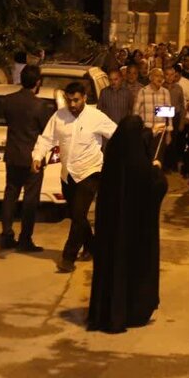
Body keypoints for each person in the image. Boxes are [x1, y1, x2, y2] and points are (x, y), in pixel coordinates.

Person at [87, 116, 169, 333]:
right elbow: (157, 187)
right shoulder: (141, 166)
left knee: (111, 269)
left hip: (111, 234)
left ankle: (107, 313)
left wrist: (151, 133)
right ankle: (131, 312)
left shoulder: (112, 160)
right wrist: (157, 169)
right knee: (133, 271)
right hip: (135, 236)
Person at [32, 82, 117, 272]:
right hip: (67, 175)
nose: (72, 104)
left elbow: (117, 134)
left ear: (84, 98)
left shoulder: (96, 117)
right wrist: (38, 156)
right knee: (76, 215)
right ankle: (92, 247)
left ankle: (68, 257)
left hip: (90, 172)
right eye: (69, 100)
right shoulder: (59, 116)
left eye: (76, 100)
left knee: (78, 215)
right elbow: (46, 138)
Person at [0, 64, 53, 252]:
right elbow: (46, 131)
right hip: (32, 158)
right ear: (37, 83)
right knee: (30, 200)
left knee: (10, 195)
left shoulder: (9, 101)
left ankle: (6, 235)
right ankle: (25, 239)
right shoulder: (40, 106)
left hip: (13, 155)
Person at [134, 68, 172, 166]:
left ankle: (156, 175)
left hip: (160, 132)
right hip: (146, 130)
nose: (160, 78)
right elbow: (136, 112)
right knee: (145, 158)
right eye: (157, 76)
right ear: (150, 77)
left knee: (158, 159)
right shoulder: (143, 91)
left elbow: (168, 115)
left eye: (162, 76)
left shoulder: (165, 92)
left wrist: (169, 133)